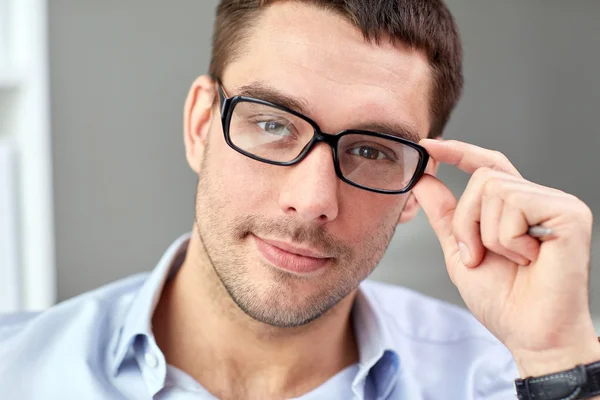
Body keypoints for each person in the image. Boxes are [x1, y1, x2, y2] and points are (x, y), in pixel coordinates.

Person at [1, 1, 599, 399]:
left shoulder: (510, 381)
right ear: (201, 124)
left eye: (371, 151)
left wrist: (558, 356)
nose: (313, 200)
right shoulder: (16, 370)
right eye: (273, 124)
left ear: (417, 187)